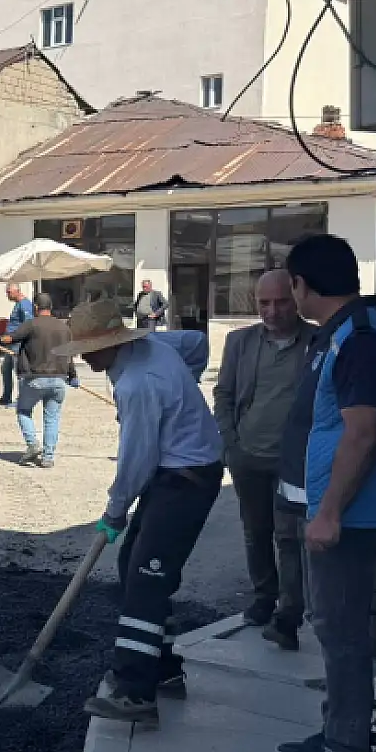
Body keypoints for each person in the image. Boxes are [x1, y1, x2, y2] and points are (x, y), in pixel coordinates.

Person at [275, 234, 376, 752]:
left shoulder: (358, 340)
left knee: (342, 630)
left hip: (354, 514)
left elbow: (362, 433)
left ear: (301, 285)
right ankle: (337, 727)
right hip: (347, 510)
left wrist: (330, 512)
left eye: (290, 286)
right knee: (332, 624)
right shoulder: (346, 333)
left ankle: (347, 750)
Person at [55, 299, 225, 724]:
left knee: (147, 580)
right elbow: (197, 344)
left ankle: (135, 693)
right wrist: (183, 395)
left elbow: (136, 460)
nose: (84, 358)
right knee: (133, 563)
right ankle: (163, 668)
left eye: (89, 349)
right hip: (176, 472)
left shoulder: (139, 384)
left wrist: (115, 512)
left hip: (185, 480)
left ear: (113, 342)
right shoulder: (160, 347)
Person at [212, 269, 309, 648]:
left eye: (281, 302)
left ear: (296, 299)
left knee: (288, 536)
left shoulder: (317, 342)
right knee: (256, 532)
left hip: (293, 463)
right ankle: (264, 597)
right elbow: (224, 394)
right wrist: (230, 444)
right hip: (247, 457)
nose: (272, 310)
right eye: (263, 302)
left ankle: (289, 613)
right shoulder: (240, 342)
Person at [0, 292, 77, 468]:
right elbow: (69, 356)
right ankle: (48, 457)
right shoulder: (64, 328)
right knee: (52, 418)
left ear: (36, 307)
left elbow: (10, 338)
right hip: (59, 379)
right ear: (50, 307)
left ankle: (33, 444)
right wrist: (73, 376)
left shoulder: (31, 325)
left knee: (23, 410)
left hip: (35, 378)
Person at [0, 283, 36, 405]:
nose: (7, 295)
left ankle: (22, 400)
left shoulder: (25, 305)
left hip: (18, 344)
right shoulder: (18, 304)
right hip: (11, 343)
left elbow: (28, 325)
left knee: (20, 371)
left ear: (17, 291)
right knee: (5, 369)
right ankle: (6, 396)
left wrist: (20, 339)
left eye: (9, 292)